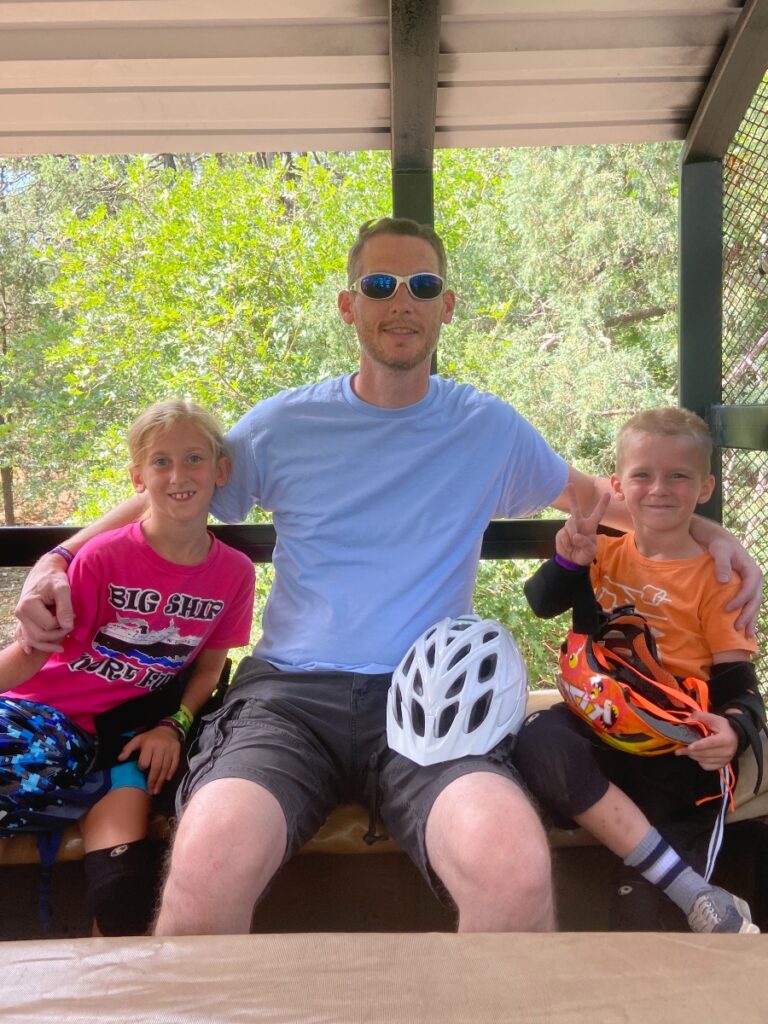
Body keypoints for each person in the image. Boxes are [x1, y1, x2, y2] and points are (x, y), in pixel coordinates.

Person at [13, 219, 763, 936]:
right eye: (379, 283)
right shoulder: (284, 425)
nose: (401, 300)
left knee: (514, 869)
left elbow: (605, 498)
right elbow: (164, 494)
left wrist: (711, 532)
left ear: (446, 305)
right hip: (289, 698)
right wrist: (59, 558)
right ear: (349, 305)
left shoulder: (488, 428)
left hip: (435, 695)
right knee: (207, 862)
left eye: (421, 283)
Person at [2, 400, 255, 934]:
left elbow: (210, 669)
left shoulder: (233, 573)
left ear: (220, 470)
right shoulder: (103, 558)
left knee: (123, 897)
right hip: (38, 712)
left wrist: (174, 723)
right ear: (138, 477)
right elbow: (30, 657)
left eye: (194, 459)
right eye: (160, 462)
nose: (179, 475)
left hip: (105, 736)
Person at [515, 407, 765, 933]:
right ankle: (692, 889)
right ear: (618, 486)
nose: (659, 489)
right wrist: (567, 561)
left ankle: (677, 888)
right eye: (643, 475)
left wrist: (735, 728)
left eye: (679, 475)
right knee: (538, 740)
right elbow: (541, 603)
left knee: (643, 923)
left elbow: (739, 685)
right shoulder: (604, 551)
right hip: (602, 719)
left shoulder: (716, 576)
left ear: (705, 488)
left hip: (673, 744)